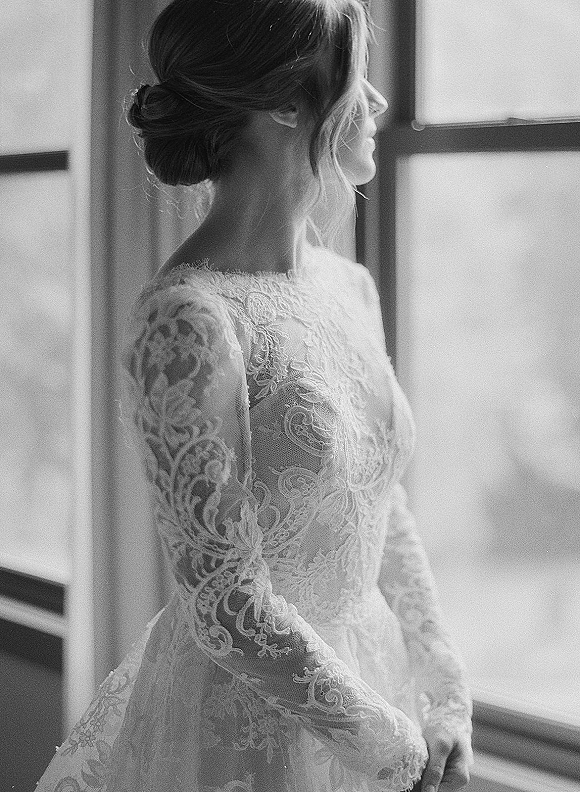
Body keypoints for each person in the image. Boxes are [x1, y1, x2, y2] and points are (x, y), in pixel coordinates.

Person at [36, 0, 473, 790]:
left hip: (373, 678)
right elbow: (227, 602)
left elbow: (379, 501)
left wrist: (443, 686)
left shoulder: (349, 286)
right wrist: (390, 747)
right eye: (354, 76)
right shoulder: (189, 321)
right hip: (252, 725)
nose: (374, 102)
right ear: (283, 102)